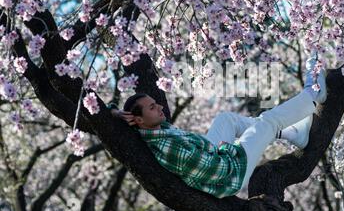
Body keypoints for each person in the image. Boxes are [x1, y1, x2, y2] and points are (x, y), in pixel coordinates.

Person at [109, 53, 326, 198]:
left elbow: (103, 112)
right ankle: (313, 93)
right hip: (230, 173)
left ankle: (295, 134)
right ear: (139, 120)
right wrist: (229, 149)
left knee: (226, 119)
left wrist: (116, 112)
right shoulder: (166, 147)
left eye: (156, 104)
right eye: (152, 108)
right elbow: (213, 169)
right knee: (266, 122)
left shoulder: (152, 129)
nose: (159, 108)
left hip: (212, 152)